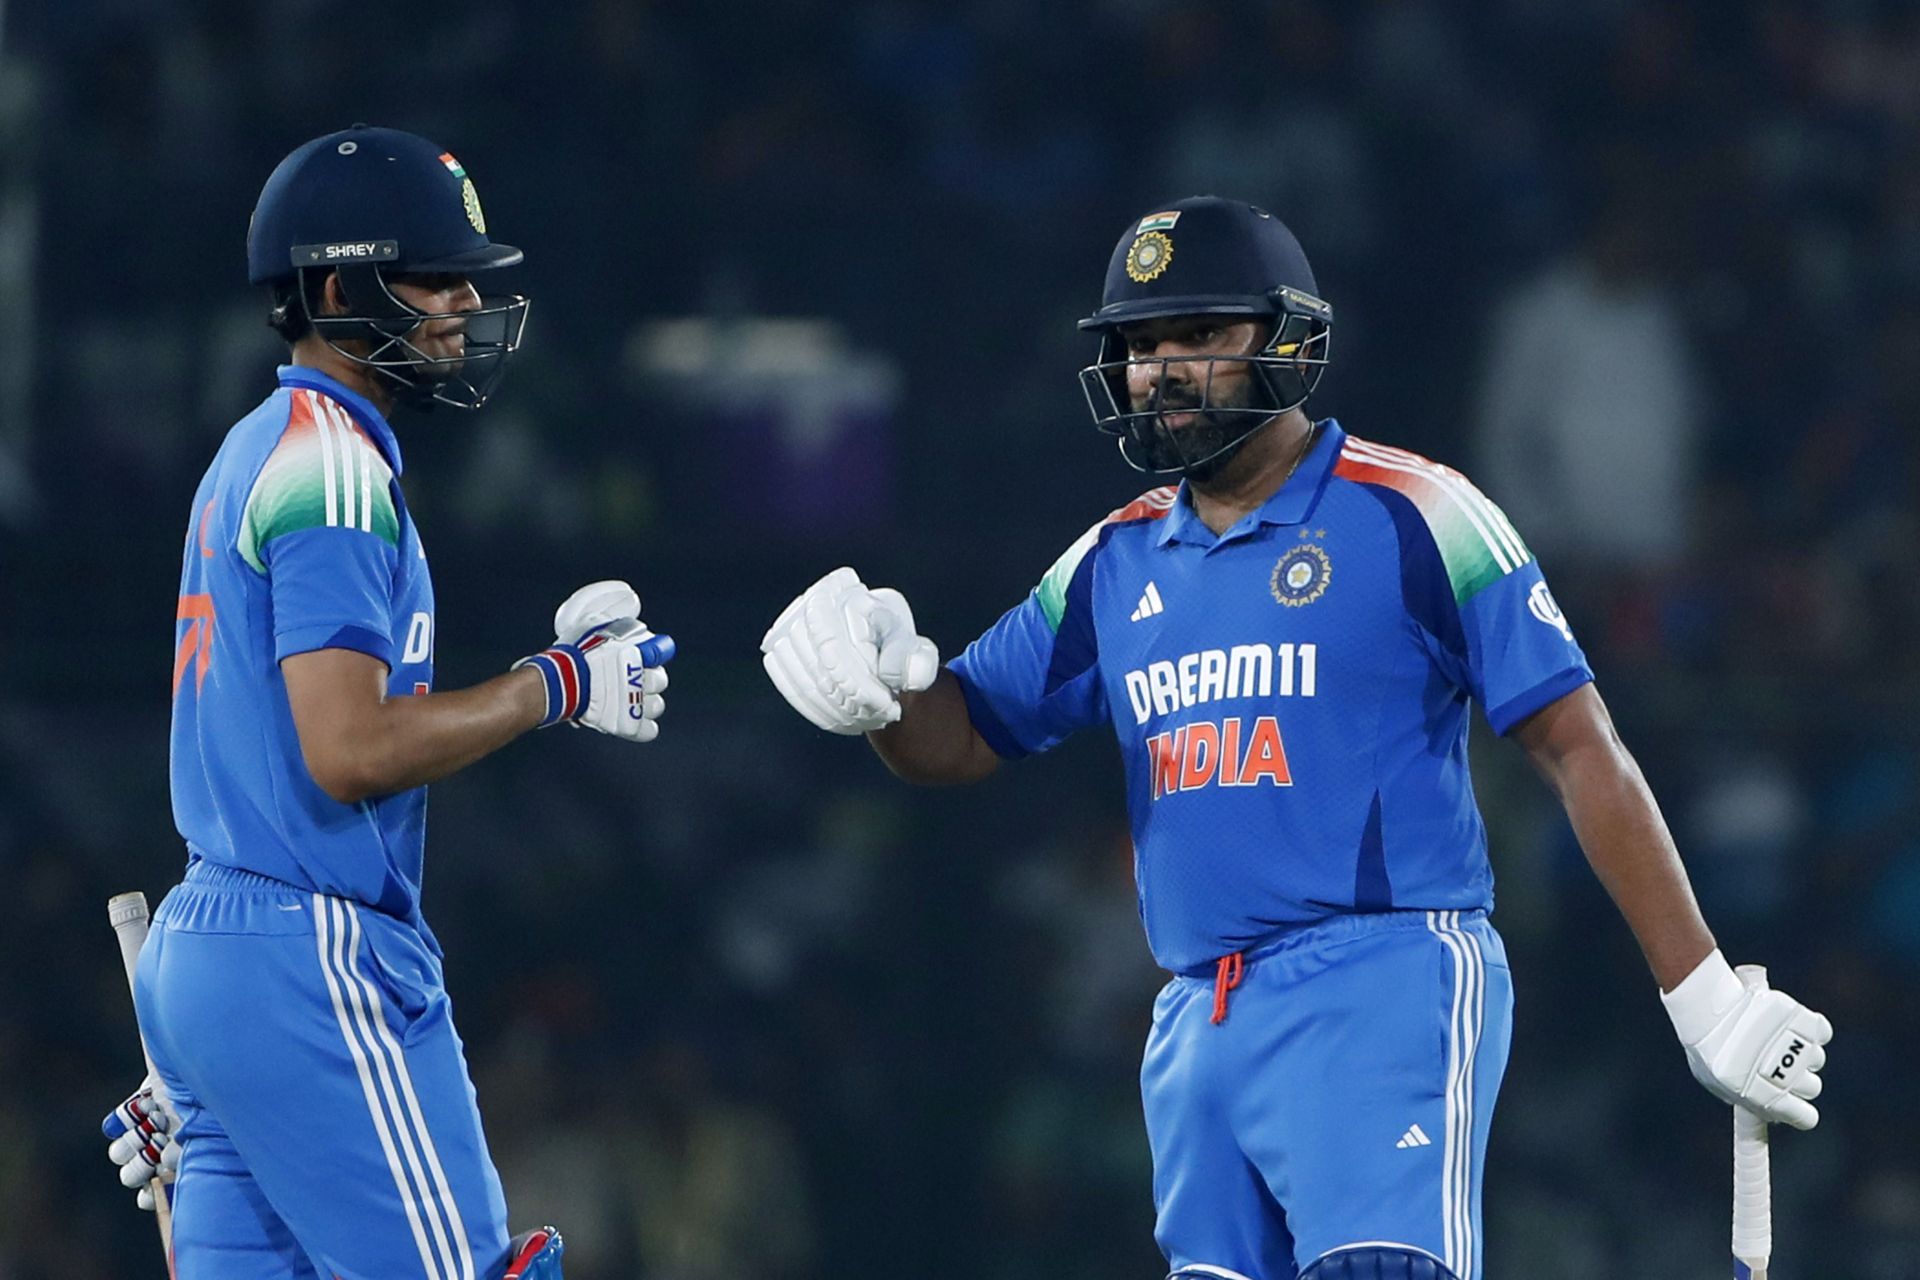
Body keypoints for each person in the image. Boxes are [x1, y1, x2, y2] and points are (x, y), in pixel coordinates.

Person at [760, 195, 1832, 1280]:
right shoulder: (1109, 561)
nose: (1162, 369)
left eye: (1199, 335)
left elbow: (1578, 744)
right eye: (1139, 345)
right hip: (1192, 1014)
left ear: (1288, 339)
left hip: (1383, 978)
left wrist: (1701, 997)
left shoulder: (1419, 510)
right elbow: (965, 733)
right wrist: (881, 691)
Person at [99, 125, 673, 1280]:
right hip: (308, 948)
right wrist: (553, 685)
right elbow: (348, 748)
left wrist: (222, 1052)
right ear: (333, 286)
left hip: (211, 949)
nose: (465, 300)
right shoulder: (336, 465)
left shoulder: (252, 447)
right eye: (432, 273)